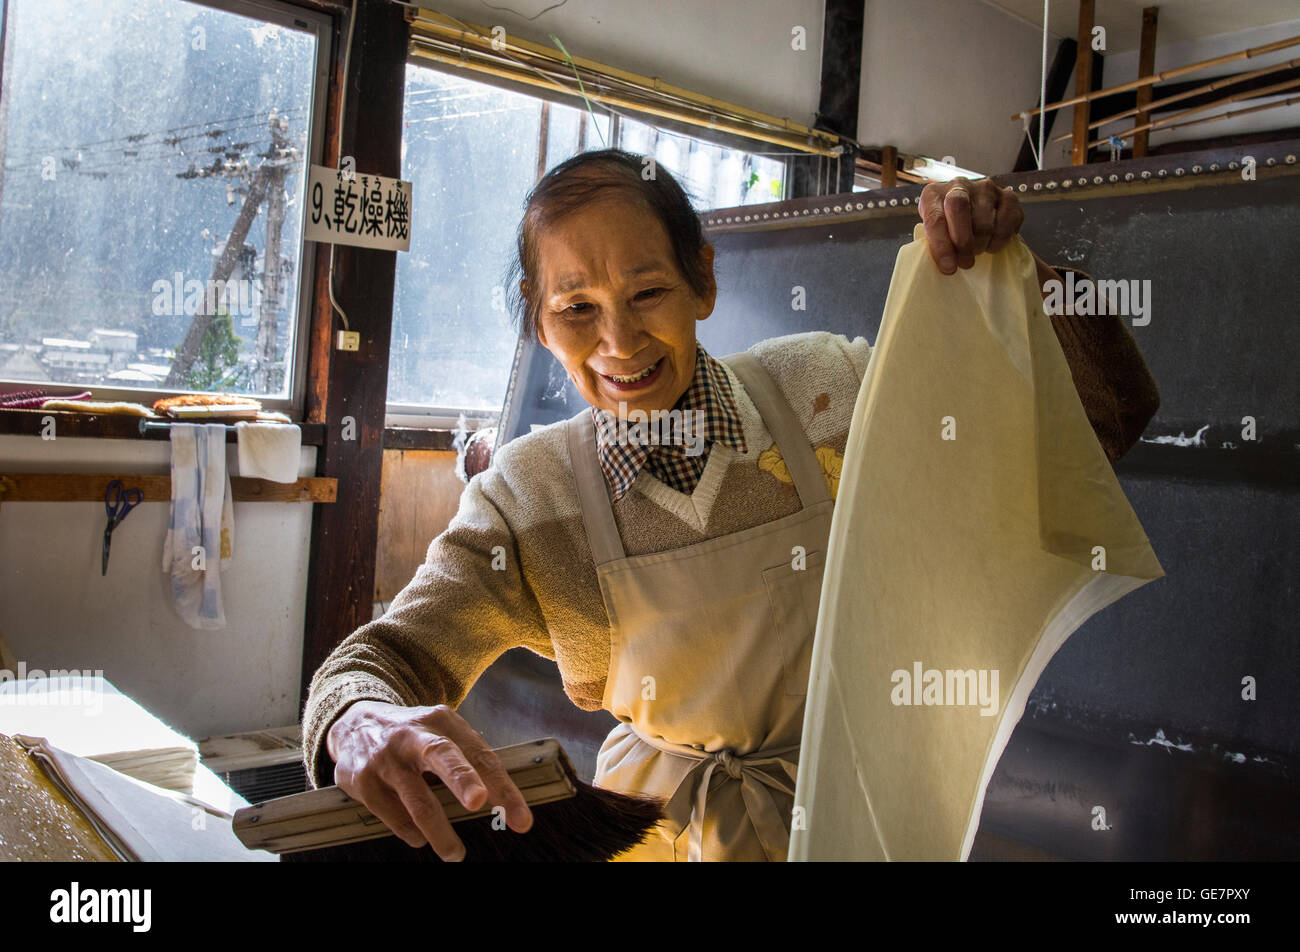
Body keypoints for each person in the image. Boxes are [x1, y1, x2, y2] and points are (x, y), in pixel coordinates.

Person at [303, 148, 1159, 862]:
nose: (620, 344)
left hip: (850, 817)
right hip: (657, 835)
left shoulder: (830, 392)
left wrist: (1012, 274)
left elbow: (1096, 425)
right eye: (576, 310)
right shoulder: (529, 501)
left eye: (647, 293)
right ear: (538, 323)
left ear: (702, 281)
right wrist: (357, 720)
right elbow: (384, 659)